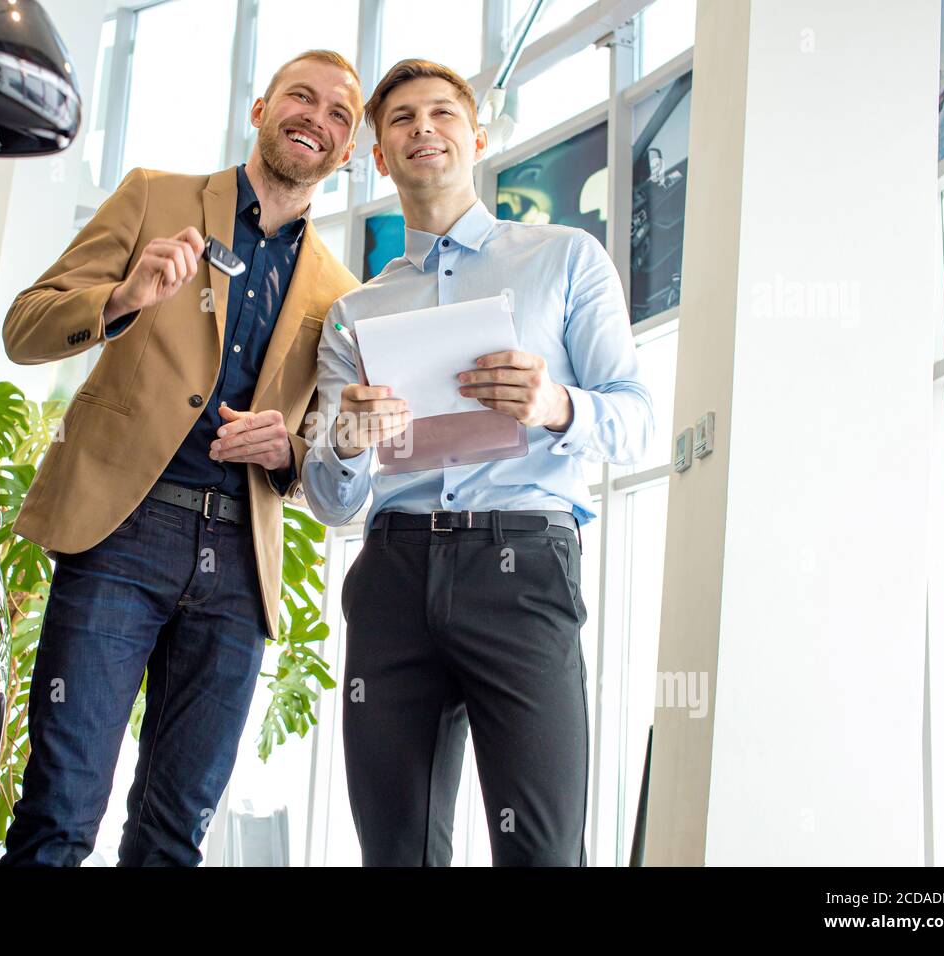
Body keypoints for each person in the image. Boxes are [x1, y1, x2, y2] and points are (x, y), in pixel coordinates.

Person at [0, 50, 363, 866]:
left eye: (340, 114)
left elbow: (320, 452)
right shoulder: (154, 196)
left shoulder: (341, 291)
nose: (317, 117)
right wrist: (121, 300)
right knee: (60, 809)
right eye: (301, 97)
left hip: (239, 562)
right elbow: (26, 326)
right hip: (123, 535)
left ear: (347, 151)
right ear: (262, 106)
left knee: (174, 836)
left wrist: (287, 448)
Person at [302, 59, 654, 866]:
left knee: (540, 848)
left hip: (524, 567)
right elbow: (328, 497)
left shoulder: (566, 258)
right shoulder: (356, 313)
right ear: (380, 158)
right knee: (397, 851)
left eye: (441, 113)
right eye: (401, 120)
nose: (423, 127)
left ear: (476, 138)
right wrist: (348, 441)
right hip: (394, 571)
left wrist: (555, 405)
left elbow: (637, 421)